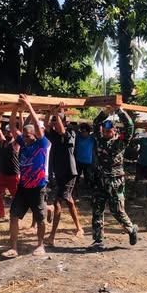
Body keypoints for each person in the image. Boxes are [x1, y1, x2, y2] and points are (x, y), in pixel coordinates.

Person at [1, 95, 50, 258]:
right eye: (24, 135)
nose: (26, 138)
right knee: (14, 216)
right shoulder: (23, 143)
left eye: (28, 135)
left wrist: (29, 106)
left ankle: (40, 245)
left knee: (40, 218)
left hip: (38, 187)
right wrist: (15, 108)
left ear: (35, 135)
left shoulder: (42, 144)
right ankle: (13, 248)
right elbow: (12, 127)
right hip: (23, 187)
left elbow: (37, 126)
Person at [89, 105, 138, 250]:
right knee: (97, 209)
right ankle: (98, 240)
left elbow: (130, 127)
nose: (105, 133)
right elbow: (96, 123)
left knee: (117, 210)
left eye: (108, 131)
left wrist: (120, 112)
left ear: (114, 131)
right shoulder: (99, 140)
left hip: (115, 181)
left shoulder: (120, 143)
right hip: (100, 180)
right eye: (104, 131)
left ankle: (131, 229)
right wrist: (107, 112)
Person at [44, 103, 84, 246]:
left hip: (69, 173)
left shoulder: (71, 133)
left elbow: (62, 131)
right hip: (59, 173)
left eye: (57, 121)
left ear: (65, 122)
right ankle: (79, 228)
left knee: (57, 203)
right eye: (54, 122)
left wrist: (56, 113)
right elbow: (46, 126)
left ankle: (52, 236)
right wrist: (50, 112)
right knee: (69, 200)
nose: (54, 124)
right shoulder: (53, 134)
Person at [0, 112, 20, 221]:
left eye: (10, 131)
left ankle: (17, 215)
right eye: (7, 131)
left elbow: (20, 130)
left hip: (13, 175)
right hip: (3, 174)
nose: (8, 133)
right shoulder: (3, 142)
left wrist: (20, 114)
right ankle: (0, 213)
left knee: (17, 197)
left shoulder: (16, 143)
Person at [74, 123, 95, 196]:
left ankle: (87, 192)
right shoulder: (78, 137)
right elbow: (75, 129)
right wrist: (80, 125)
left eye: (85, 131)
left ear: (88, 132)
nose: (83, 133)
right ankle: (75, 191)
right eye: (82, 131)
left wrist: (90, 127)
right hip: (78, 161)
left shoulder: (91, 138)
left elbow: (97, 131)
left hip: (88, 162)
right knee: (76, 177)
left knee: (88, 178)